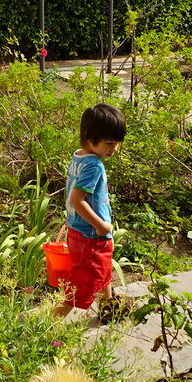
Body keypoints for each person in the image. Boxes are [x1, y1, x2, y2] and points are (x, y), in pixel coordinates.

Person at [54, 103, 126, 319]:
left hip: (77, 231)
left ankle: (109, 307)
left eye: (117, 143)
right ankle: (49, 326)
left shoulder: (79, 156)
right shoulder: (94, 165)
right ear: (88, 139)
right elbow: (77, 199)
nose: (114, 149)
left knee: (101, 272)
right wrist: (101, 226)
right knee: (83, 286)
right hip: (92, 235)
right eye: (109, 143)